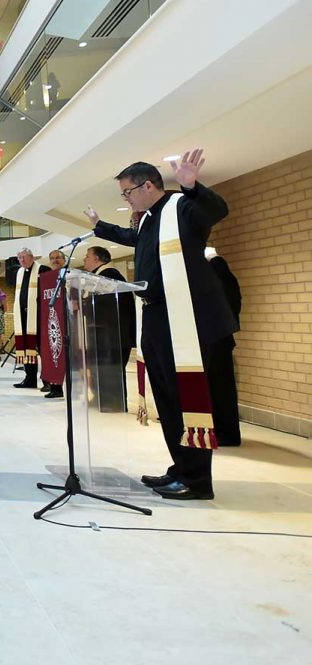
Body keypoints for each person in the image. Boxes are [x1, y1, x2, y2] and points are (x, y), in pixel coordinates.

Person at [86, 150, 233, 500]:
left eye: (127, 192)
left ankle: (197, 480)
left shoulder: (182, 207)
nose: (127, 199)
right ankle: (180, 467)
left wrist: (192, 186)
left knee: (185, 399)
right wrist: (99, 226)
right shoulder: (151, 219)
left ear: (147, 185)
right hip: (156, 316)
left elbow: (217, 211)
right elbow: (130, 237)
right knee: (166, 399)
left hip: (185, 320)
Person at [82, 246, 135, 412]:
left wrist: (84, 305)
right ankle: (101, 398)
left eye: (87, 256)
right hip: (104, 334)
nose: (84, 259)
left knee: (110, 368)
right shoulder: (101, 276)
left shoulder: (109, 275)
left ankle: (112, 402)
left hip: (112, 335)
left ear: (97, 259)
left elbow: (107, 307)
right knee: (101, 368)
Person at [205, 248, 241, 446]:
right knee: (215, 387)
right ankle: (219, 429)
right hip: (216, 337)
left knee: (221, 388)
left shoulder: (217, 267)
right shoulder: (217, 269)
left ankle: (226, 433)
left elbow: (225, 304)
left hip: (217, 338)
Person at [12, 248, 51, 389]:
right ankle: (30, 378)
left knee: (42, 349)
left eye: (24, 257)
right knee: (26, 348)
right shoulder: (19, 272)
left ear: (32, 257)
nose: (22, 260)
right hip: (23, 316)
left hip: (39, 317)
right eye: (19, 258)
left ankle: (48, 381)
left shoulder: (43, 269)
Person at [42, 249, 68, 399]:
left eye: (58, 257)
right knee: (52, 353)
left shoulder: (69, 274)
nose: (55, 260)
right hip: (51, 322)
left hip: (68, 322)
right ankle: (56, 388)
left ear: (64, 259)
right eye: (52, 258)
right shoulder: (47, 278)